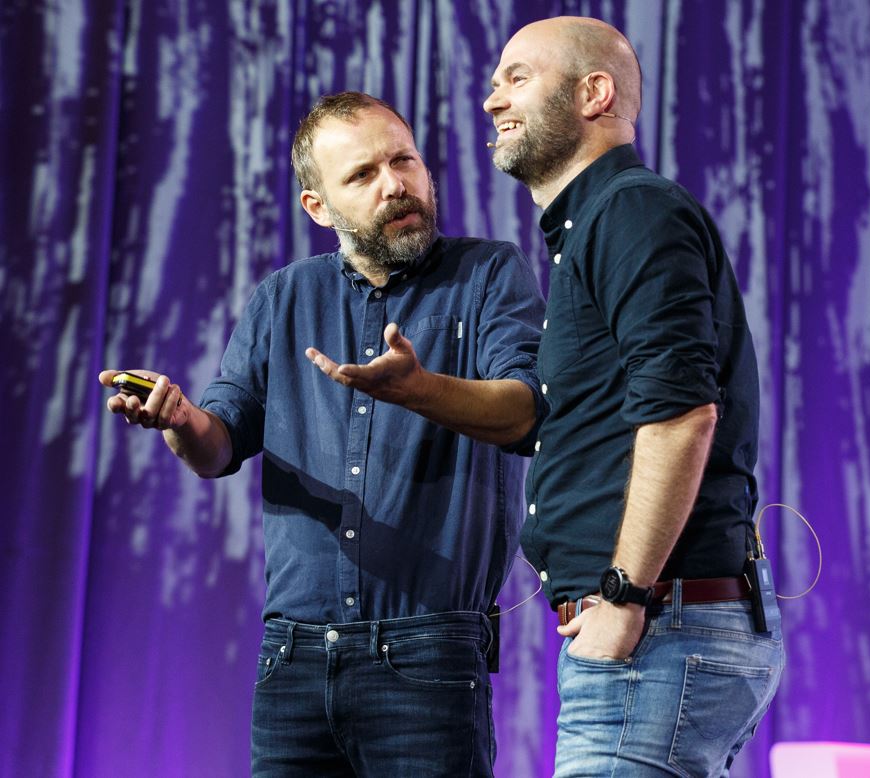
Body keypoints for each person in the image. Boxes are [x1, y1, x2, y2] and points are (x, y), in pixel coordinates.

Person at [100, 91, 545, 777]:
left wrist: (419, 389)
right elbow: (218, 446)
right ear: (317, 207)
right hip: (293, 658)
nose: (395, 184)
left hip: (426, 650)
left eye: (405, 161)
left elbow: (524, 413)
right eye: (363, 175)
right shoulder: (282, 297)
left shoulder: (487, 274)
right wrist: (180, 420)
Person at [484, 17, 784, 777]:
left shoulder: (629, 210)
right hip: (663, 630)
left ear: (595, 93)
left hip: (659, 631)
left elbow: (682, 414)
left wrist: (622, 597)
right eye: (494, 80)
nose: (492, 100)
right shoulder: (597, 224)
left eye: (518, 76)